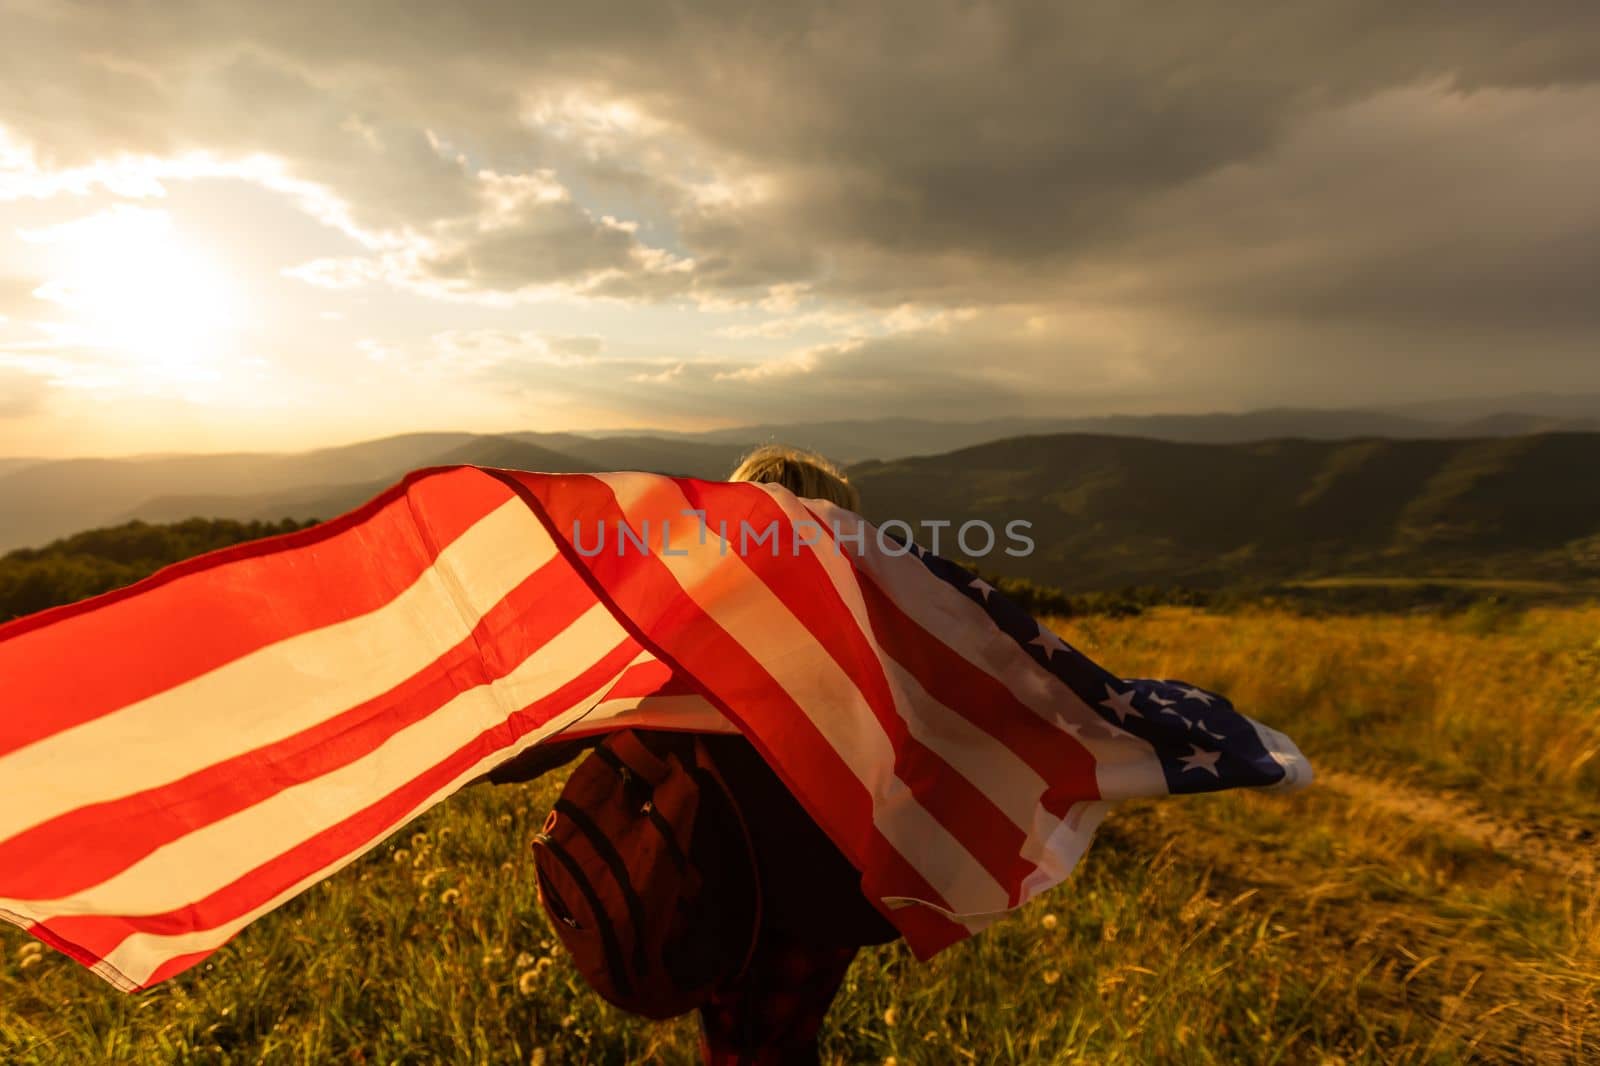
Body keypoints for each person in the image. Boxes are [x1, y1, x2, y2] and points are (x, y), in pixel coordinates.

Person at [483, 445, 898, 1065]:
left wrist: (478, 753)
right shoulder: (864, 652)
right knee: (783, 1042)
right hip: (836, 900)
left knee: (745, 1049)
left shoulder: (692, 645)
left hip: (732, 893)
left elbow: (566, 723)